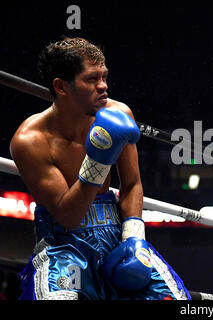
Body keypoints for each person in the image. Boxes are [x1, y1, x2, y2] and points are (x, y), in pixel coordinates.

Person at [10, 37, 190, 300]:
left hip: (118, 232)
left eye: (104, 77)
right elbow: (69, 216)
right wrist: (99, 157)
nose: (103, 86)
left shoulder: (119, 113)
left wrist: (133, 237)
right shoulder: (30, 141)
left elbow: (131, 184)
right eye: (92, 79)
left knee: (170, 297)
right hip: (65, 245)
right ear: (61, 87)